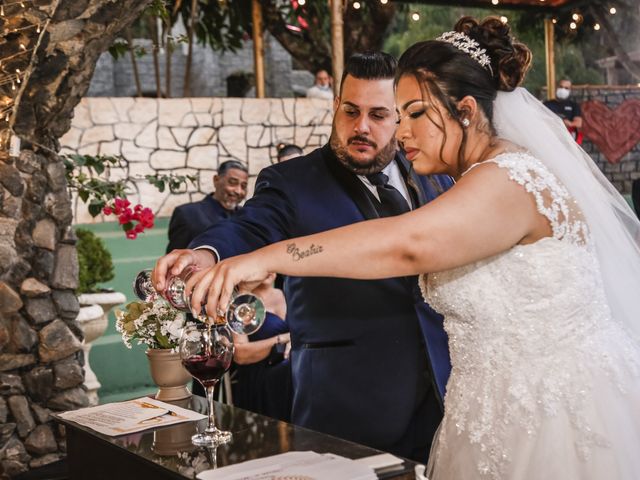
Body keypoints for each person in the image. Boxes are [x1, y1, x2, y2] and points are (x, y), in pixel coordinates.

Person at [180, 17, 640, 480]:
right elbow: (256, 223)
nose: (401, 132)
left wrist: (262, 261)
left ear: (464, 110)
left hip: (551, 416)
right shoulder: (467, 171)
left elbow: (407, 244)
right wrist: (219, 253)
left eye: (412, 114)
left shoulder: (508, 178)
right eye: (398, 114)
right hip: (455, 410)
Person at [154, 52, 454, 462]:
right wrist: (207, 253)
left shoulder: (430, 170)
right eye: (350, 111)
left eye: (379, 114)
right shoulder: (293, 182)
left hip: (444, 396)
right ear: (335, 107)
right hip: (348, 403)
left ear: (401, 117)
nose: (360, 126)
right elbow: (251, 226)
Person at [166, 160, 248, 252]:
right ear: (216, 180)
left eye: (243, 186)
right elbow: (173, 260)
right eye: (232, 182)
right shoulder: (188, 215)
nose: (238, 191)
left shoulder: (246, 217)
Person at [544, 78, 583, 144]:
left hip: (567, 140)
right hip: (550, 138)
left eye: (566, 88)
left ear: (570, 90)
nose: (563, 90)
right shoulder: (547, 104)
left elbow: (579, 123)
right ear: (556, 87)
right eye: (561, 87)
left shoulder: (574, 105)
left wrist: (569, 124)